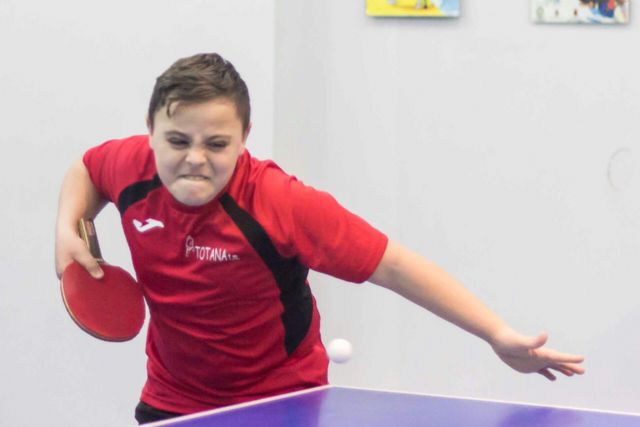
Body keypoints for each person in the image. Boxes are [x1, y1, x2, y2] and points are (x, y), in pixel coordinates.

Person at [55, 52, 585, 425]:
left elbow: (393, 265)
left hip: (277, 403)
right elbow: (87, 169)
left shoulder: (279, 203)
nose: (194, 158)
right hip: (172, 402)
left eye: (216, 144)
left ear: (244, 138)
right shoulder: (129, 166)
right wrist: (66, 229)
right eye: (177, 140)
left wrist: (496, 333)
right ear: (150, 129)